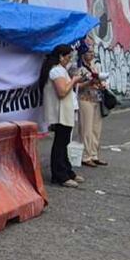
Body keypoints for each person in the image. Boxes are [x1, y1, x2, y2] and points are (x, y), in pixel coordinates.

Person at [41, 44, 89, 188]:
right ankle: (60, 175)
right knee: (60, 144)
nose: (69, 60)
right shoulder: (56, 71)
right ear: (61, 56)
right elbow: (62, 92)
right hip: (61, 111)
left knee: (64, 143)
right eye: (68, 57)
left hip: (66, 110)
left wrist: (77, 81)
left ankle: (67, 171)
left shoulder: (61, 70)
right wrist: (73, 80)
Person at [76, 48, 108, 168]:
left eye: (92, 52)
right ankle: (86, 155)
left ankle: (94, 154)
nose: (91, 54)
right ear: (83, 54)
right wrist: (88, 83)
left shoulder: (95, 66)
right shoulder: (79, 68)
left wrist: (102, 84)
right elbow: (76, 85)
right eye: (89, 52)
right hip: (85, 99)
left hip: (97, 98)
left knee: (96, 128)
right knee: (86, 128)